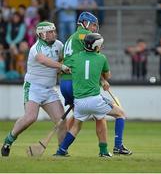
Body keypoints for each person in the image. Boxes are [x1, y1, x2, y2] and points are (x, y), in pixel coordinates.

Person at [60, 11, 132, 156]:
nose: (94, 28)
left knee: (78, 119)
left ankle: (61, 148)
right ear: (85, 23)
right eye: (93, 25)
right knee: (100, 116)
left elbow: (71, 61)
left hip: (64, 83)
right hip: (77, 82)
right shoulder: (84, 35)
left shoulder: (70, 38)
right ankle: (106, 150)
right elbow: (91, 62)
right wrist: (103, 79)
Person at [1, 21, 70, 157]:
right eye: (50, 32)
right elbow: (43, 60)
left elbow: (64, 60)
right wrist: (61, 67)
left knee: (61, 121)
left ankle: (62, 152)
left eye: (54, 31)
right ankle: (9, 140)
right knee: (30, 117)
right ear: (42, 34)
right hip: (33, 88)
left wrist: (66, 66)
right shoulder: (36, 48)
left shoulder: (59, 45)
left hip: (50, 89)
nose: (53, 34)